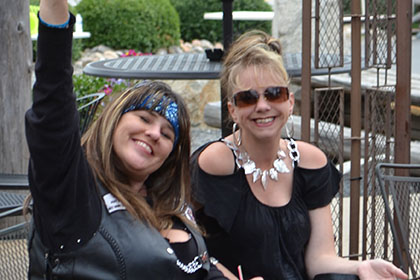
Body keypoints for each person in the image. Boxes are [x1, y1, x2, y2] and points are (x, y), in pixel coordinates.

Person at [25, 1, 231, 279]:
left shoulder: (165, 200)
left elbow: (199, 267)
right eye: (144, 119)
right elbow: (52, 102)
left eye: (167, 133)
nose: (154, 133)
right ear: (113, 120)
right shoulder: (73, 193)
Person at [190, 30, 408, 280]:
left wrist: (359, 267)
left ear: (290, 102)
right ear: (233, 111)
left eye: (274, 94)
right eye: (248, 98)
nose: (262, 106)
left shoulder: (310, 162)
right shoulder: (216, 162)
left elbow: (320, 259)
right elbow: (192, 250)